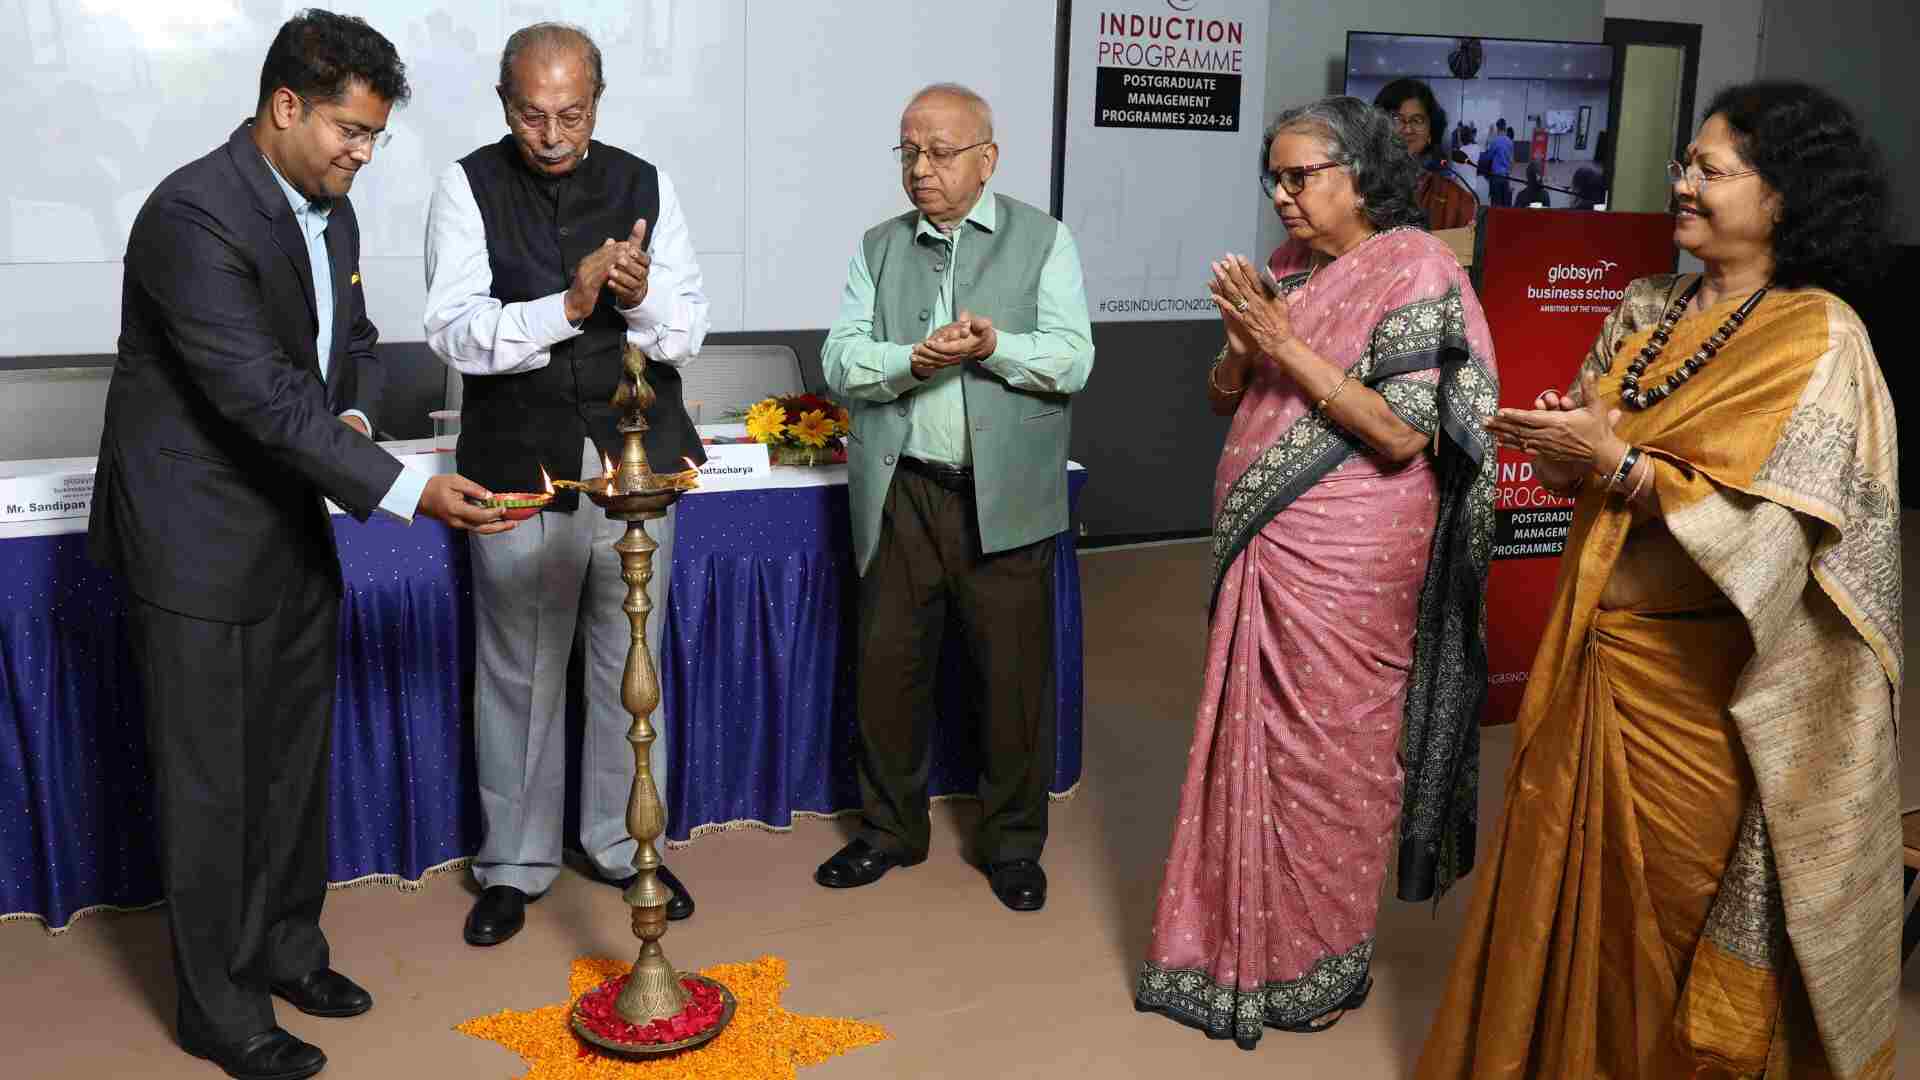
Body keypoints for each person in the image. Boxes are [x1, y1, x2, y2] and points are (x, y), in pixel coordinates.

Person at [1418, 80, 1902, 1079]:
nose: (1681, 183)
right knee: (1561, 889)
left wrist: (1626, 470)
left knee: (1676, 911)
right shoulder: (1649, 305)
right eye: (1684, 163)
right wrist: (1564, 448)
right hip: (1597, 649)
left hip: (1704, 688)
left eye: (1711, 171)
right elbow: (1601, 442)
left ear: (1786, 197)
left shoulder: (1820, 339)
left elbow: (1788, 540)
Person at [88, 11, 514, 1079]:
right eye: (348, 132)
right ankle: (217, 1007)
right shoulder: (193, 214)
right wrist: (409, 490)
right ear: (286, 106)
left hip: (287, 531)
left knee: (288, 772)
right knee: (213, 789)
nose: (362, 155)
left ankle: (287, 950)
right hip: (196, 548)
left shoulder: (333, 209)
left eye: (373, 136)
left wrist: (360, 418)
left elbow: (345, 352)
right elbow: (261, 398)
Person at [1133, 96, 1499, 1050]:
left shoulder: (1416, 267)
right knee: (1250, 744)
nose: (1285, 197)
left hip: (1355, 553)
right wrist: (1242, 343)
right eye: (1277, 179)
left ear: (1363, 175)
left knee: (1336, 751)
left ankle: (1324, 956)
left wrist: (1283, 343)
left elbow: (1399, 432)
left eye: (1304, 177)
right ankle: (1234, 943)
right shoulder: (1288, 271)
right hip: (1267, 545)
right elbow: (1229, 399)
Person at [424, 21, 708, 947]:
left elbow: (686, 334)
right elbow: (455, 334)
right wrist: (569, 305)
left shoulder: (646, 183)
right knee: (518, 665)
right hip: (518, 459)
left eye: (572, 115)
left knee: (630, 662)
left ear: (598, 102)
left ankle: (628, 849)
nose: (552, 135)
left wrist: (637, 292)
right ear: (505, 105)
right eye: (533, 115)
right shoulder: (465, 186)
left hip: (638, 459)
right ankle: (514, 862)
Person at [815, 83, 1094, 912]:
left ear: (987, 158)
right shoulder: (878, 245)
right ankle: (889, 831)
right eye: (908, 151)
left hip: (1004, 496)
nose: (921, 169)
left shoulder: (1044, 241)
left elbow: (1072, 360)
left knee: (1011, 682)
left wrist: (995, 346)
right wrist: (912, 362)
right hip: (904, 493)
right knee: (888, 673)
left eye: (939, 152)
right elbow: (839, 361)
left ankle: (1012, 845)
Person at [1373, 78, 1476, 229]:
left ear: (1430, 132)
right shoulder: (1357, 188)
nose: (1407, 129)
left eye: (1417, 120)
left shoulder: (1456, 199)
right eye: (1396, 119)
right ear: (1379, 127)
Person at [1483, 119, 1514, 206]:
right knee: (1504, 203)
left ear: (1497, 128)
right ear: (1505, 127)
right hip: (1506, 177)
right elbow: (1511, 161)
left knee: (1495, 203)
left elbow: (1488, 157)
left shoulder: (1495, 141)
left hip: (1496, 177)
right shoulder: (1510, 142)